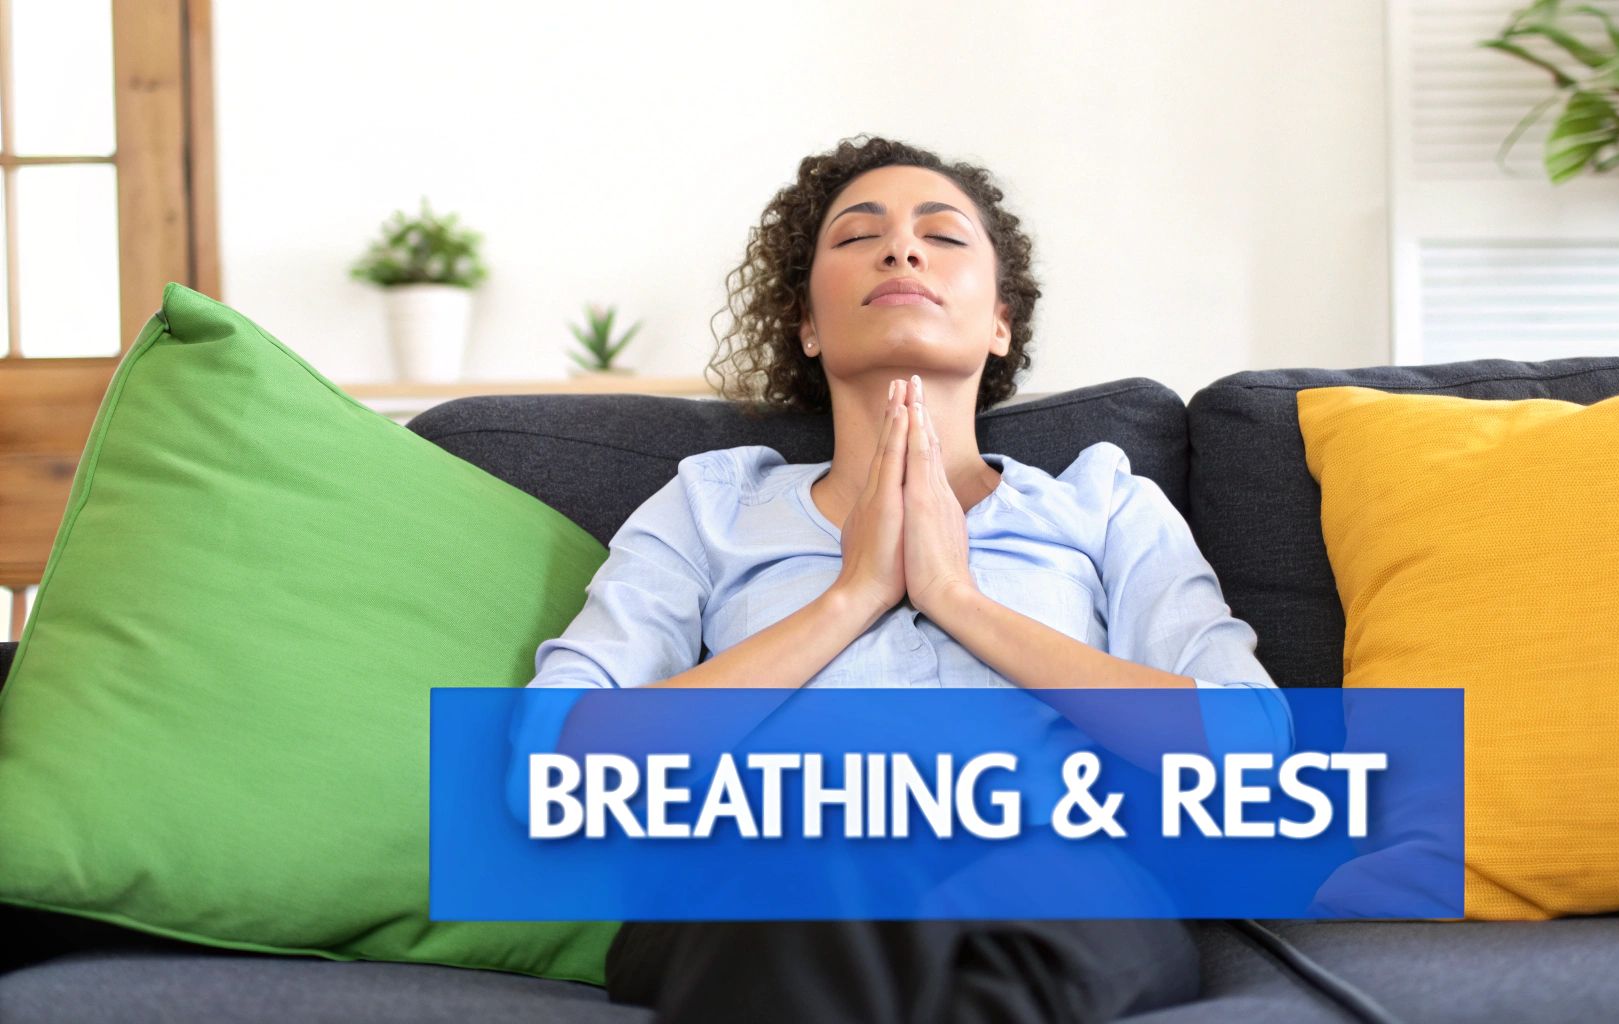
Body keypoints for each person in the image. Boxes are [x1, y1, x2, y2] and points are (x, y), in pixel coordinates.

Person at [524, 135, 1288, 1024]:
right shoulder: (708, 507)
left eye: (944, 235)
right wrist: (851, 597)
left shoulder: (1106, 506)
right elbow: (563, 758)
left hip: (1045, 871)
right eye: (857, 236)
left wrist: (958, 600)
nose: (902, 249)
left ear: (1000, 321)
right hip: (774, 870)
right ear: (807, 324)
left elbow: (1250, 752)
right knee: (820, 870)